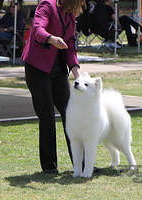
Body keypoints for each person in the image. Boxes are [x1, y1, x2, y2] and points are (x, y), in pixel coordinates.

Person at [21, 0, 84, 174]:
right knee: (47, 115)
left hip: (58, 69)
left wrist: (78, 75)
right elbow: (37, 30)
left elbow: (70, 46)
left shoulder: (70, 15)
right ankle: (49, 166)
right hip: (37, 68)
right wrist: (52, 39)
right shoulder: (47, 5)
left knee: (70, 113)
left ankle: (81, 164)